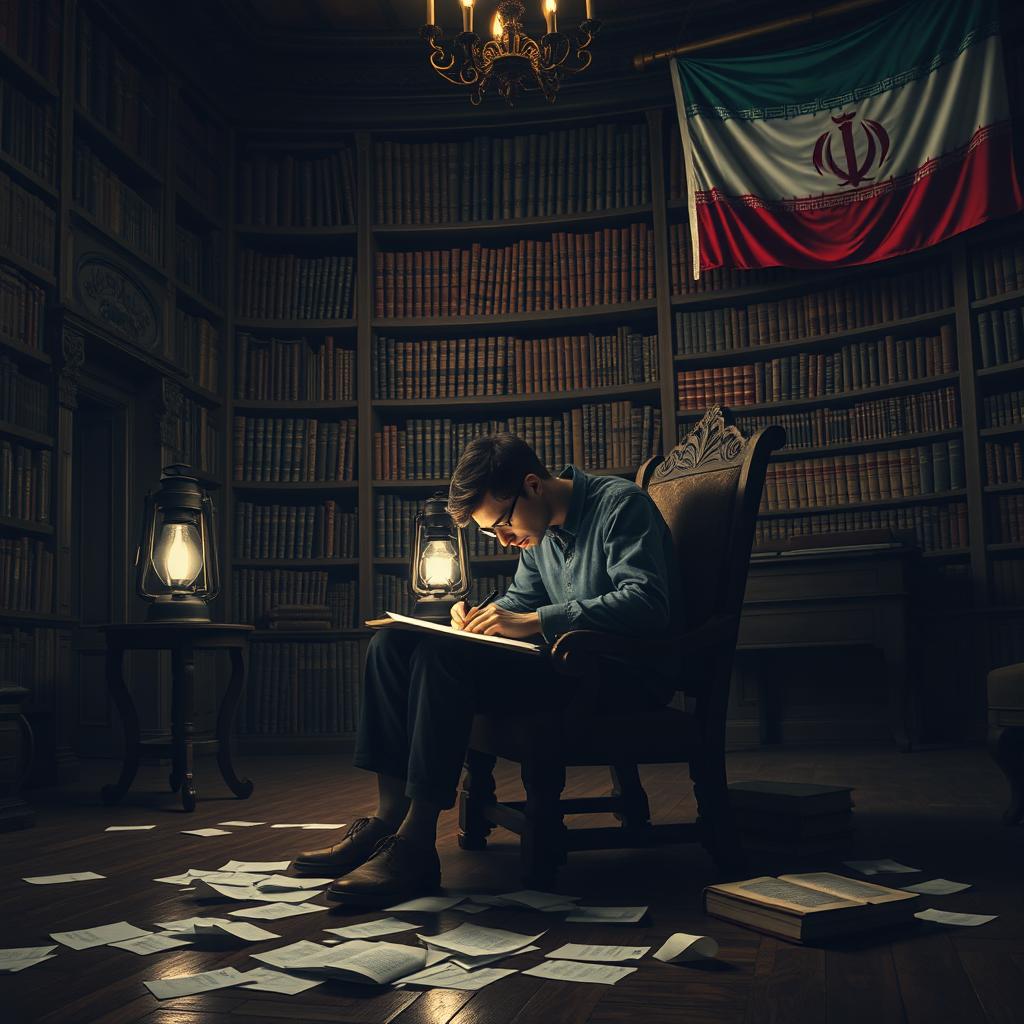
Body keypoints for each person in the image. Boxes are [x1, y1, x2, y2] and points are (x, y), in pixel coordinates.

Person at [294, 432, 682, 905]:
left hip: (620, 675)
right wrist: (478, 617)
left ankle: (416, 845)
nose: (503, 539)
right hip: (567, 666)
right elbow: (518, 600)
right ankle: (387, 817)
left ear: (533, 485)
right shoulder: (540, 533)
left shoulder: (621, 505)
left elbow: (648, 603)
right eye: (489, 532)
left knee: (445, 658)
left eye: (501, 522)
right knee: (392, 643)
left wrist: (537, 619)